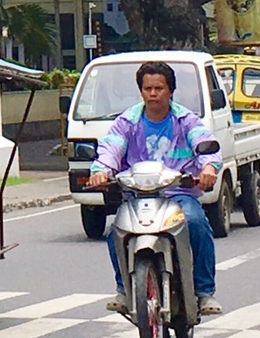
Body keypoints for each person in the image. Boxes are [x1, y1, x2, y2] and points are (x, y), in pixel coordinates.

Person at [84, 60, 223, 319]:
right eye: (147, 88)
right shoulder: (127, 121)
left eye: (159, 88)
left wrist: (209, 168)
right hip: (138, 196)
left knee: (196, 223)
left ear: (170, 91)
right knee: (116, 231)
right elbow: (110, 148)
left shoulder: (185, 120)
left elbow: (206, 145)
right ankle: (124, 290)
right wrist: (100, 171)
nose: (153, 94)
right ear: (141, 91)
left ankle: (205, 291)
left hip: (178, 194)